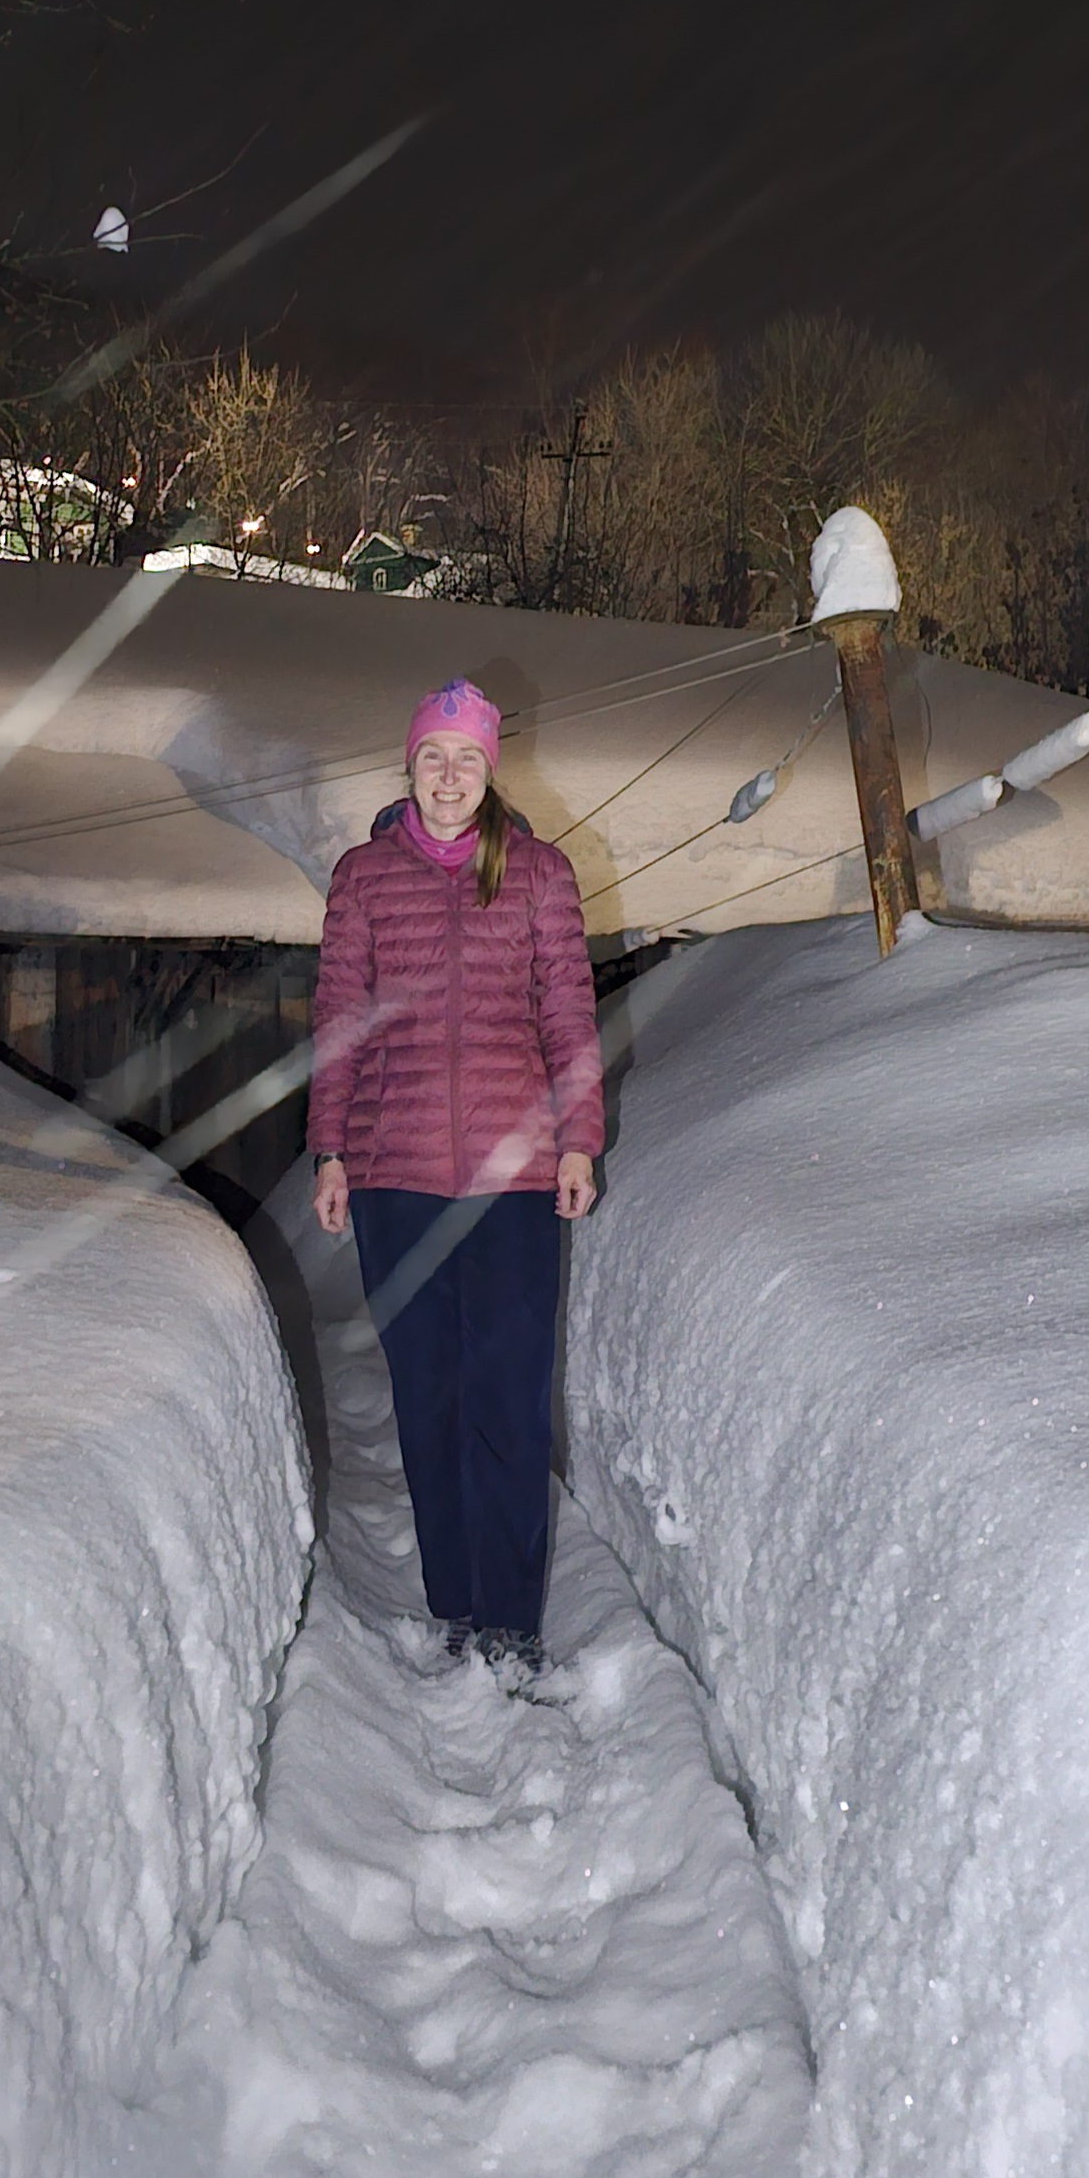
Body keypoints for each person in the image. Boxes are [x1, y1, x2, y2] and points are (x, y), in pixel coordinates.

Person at [308, 678, 605, 1673]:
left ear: (490, 770)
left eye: (467, 758)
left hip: (514, 1184)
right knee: (428, 1398)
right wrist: (330, 1149)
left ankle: (511, 1626)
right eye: (433, 757)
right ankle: (455, 1606)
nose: (448, 776)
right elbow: (338, 1022)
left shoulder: (540, 873)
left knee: (509, 1399)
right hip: (394, 1177)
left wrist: (579, 1140)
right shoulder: (362, 878)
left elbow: (569, 1016)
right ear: (410, 766)